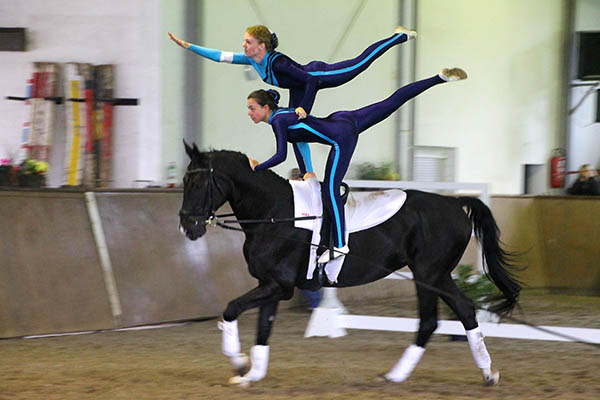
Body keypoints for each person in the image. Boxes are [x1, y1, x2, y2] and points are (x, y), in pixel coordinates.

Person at [246, 68, 468, 263]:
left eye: (252, 108)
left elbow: (281, 155)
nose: (250, 113)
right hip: (342, 119)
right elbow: (299, 140)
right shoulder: (284, 114)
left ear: (266, 107)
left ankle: (340, 245)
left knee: (330, 189)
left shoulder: (277, 121)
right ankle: (438, 78)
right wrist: (307, 171)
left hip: (341, 137)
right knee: (391, 101)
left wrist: (257, 168)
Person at [168, 24, 416, 119]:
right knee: (296, 128)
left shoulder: (276, 63)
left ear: (261, 46)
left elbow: (309, 81)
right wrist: (188, 46)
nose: (243, 45)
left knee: (360, 64)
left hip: (316, 76)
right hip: (300, 85)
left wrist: (304, 108)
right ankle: (307, 173)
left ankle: (398, 37)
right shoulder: (252, 60)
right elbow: (219, 56)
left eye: (248, 42)